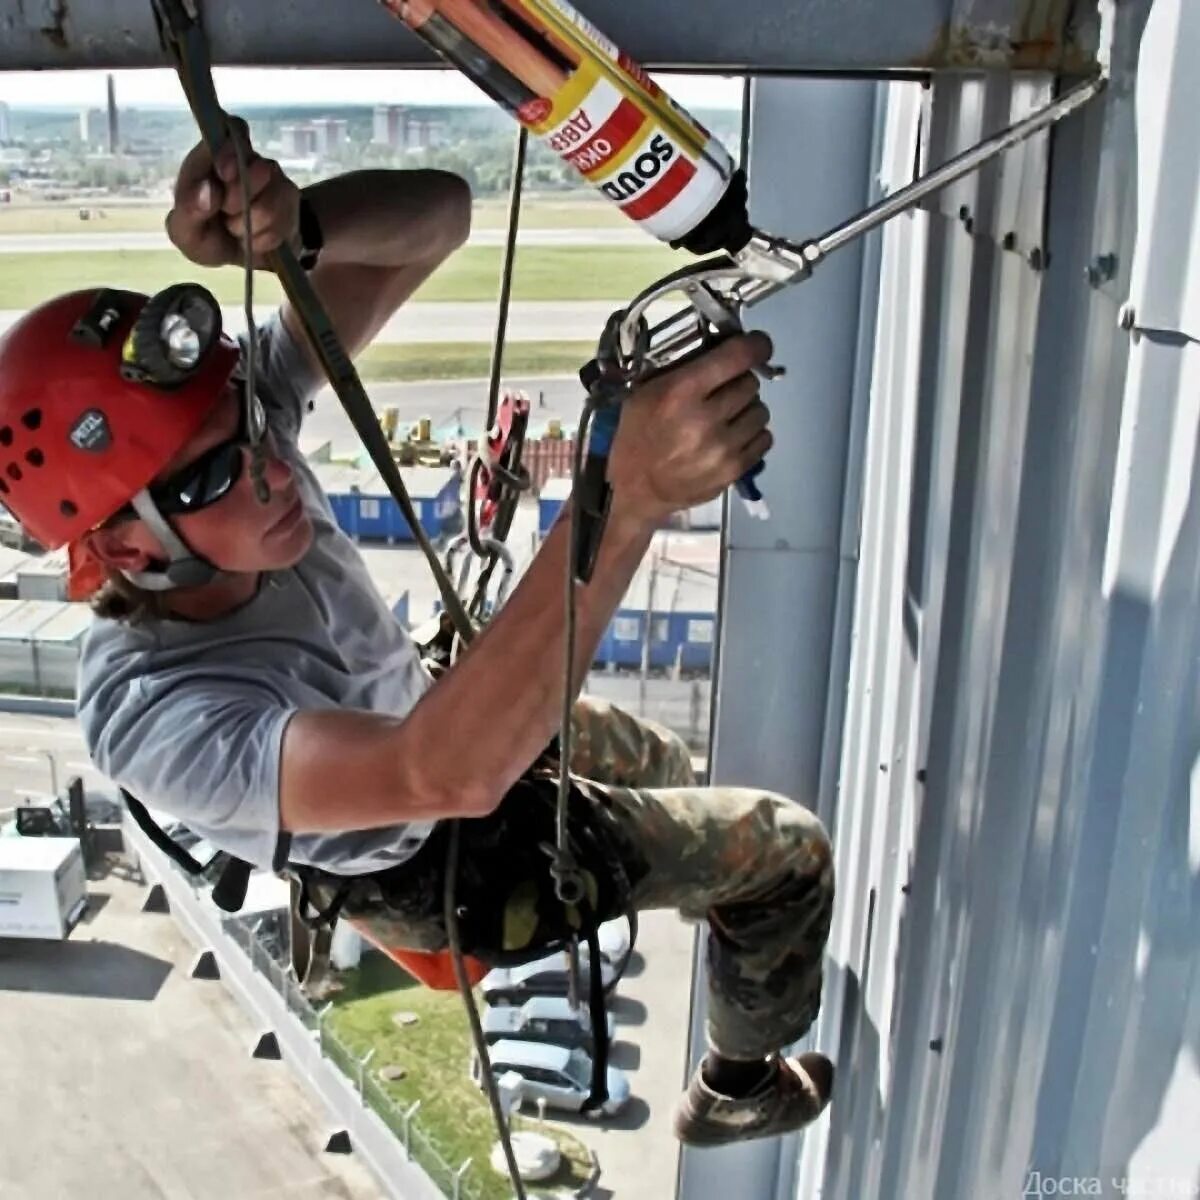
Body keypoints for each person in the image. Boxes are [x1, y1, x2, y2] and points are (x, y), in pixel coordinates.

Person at [0, 128, 836, 1148]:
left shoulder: (236, 443)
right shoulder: (158, 719)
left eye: (248, 422)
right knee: (788, 853)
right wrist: (628, 501)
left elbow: (439, 214)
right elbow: (442, 775)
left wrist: (297, 230)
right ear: (126, 553)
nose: (270, 467)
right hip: (434, 857)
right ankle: (738, 1080)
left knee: (664, 762)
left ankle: (709, 901)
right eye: (212, 478)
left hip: (433, 714)